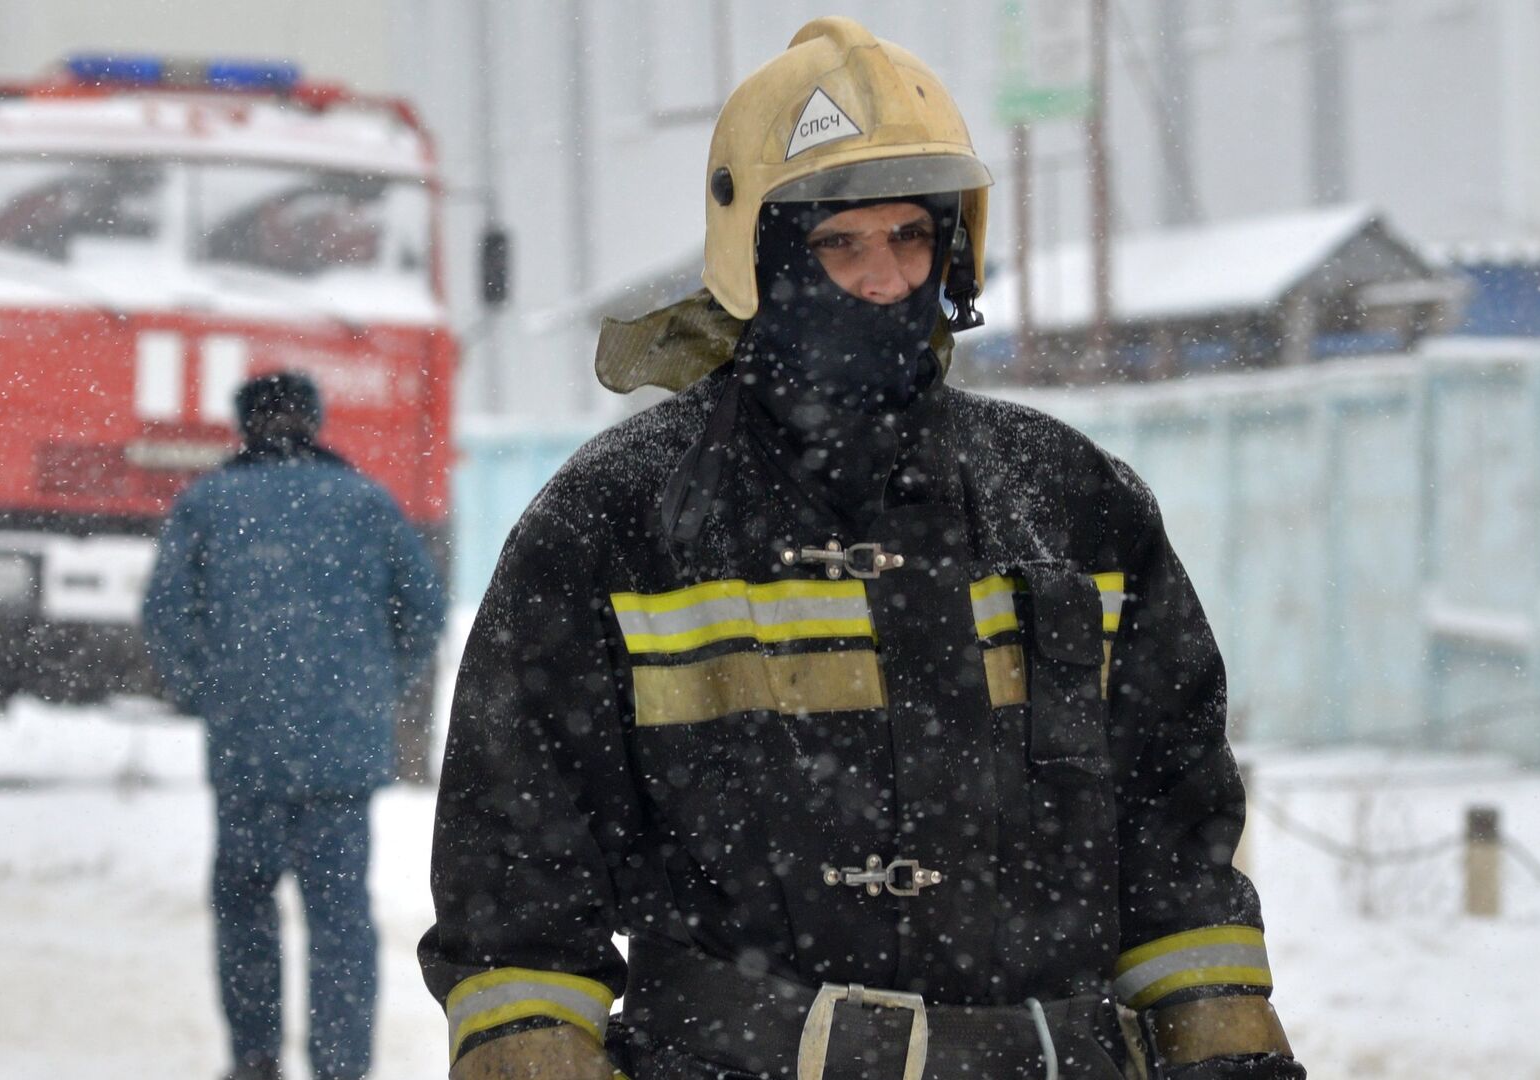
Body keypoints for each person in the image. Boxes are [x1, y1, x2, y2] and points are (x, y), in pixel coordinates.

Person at [421, 16, 1305, 1080]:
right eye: (841, 242)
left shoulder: (1076, 507)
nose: (885, 278)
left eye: (911, 237)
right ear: (758, 255)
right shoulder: (616, 524)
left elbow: (1178, 843)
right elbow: (517, 891)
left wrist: (1225, 1050)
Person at [143, 372, 445, 1080]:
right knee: (340, 918)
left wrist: (209, 693)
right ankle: (342, 1067)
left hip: (246, 751)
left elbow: (165, 616)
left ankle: (255, 1058)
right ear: (314, 422)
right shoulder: (366, 504)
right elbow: (425, 610)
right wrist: (377, 689)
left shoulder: (209, 504)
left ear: (244, 426)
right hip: (341, 755)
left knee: (246, 907)